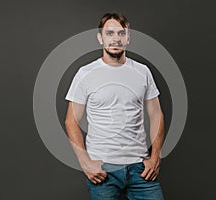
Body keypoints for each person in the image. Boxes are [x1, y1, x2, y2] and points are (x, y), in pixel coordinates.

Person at [65, 12, 165, 200]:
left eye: (121, 33)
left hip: (140, 168)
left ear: (128, 38)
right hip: (103, 169)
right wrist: (85, 162)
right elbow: (71, 121)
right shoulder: (85, 73)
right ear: (100, 38)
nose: (115, 39)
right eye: (109, 33)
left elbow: (156, 114)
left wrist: (155, 157)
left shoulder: (142, 71)